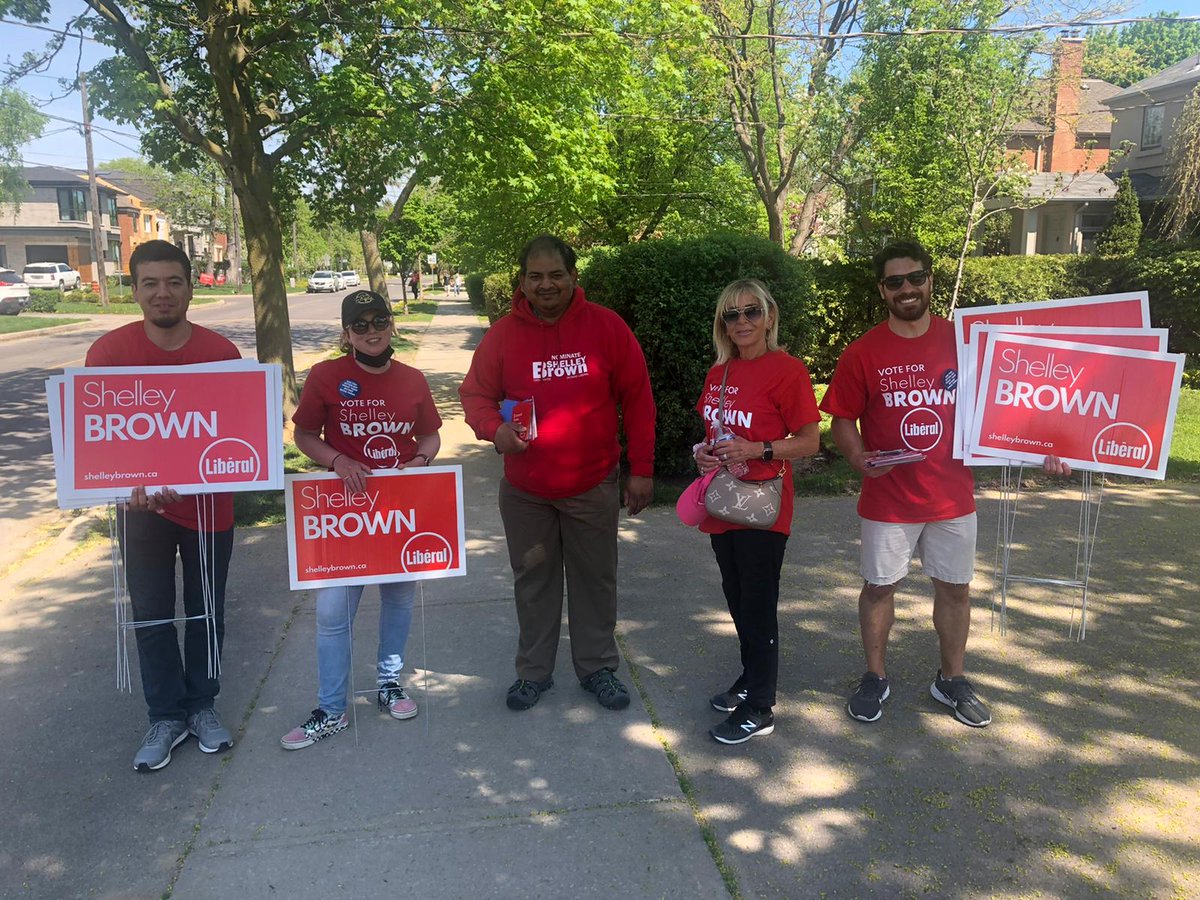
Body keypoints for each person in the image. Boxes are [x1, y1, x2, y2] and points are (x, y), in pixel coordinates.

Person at [820, 240, 1070, 729]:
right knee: (878, 587)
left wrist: (1044, 447)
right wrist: (856, 456)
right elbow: (841, 419)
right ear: (882, 290)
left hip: (952, 496)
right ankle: (875, 677)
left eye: (915, 277)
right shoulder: (864, 352)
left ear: (930, 280)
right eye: (895, 282)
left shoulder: (968, 343)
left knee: (955, 590)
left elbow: (1010, 407)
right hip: (888, 500)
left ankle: (951, 680)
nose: (907, 288)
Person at [459, 235, 656, 712]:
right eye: (535, 276)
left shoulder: (607, 327)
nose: (545, 284)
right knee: (534, 582)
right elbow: (475, 397)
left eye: (555, 275)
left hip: (592, 485)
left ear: (573, 277)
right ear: (522, 281)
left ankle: (598, 669)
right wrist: (496, 431)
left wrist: (642, 470)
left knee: (595, 580)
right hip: (528, 491)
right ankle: (534, 673)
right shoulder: (504, 335)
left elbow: (639, 399)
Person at [85, 239, 241, 772]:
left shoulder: (221, 354)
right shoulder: (107, 355)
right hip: (140, 512)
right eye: (150, 283)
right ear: (134, 290)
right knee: (151, 615)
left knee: (206, 613)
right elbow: (101, 439)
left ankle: (202, 705)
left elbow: (236, 434)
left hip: (208, 510)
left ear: (191, 287)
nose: (163, 293)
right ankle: (165, 715)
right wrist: (122, 481)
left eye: (173, 282)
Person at [281, 290, 442, 749]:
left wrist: (422, 461)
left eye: (379, 322)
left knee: (398, 601)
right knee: (333, 614)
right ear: (346, 332)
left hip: (397, 510)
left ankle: (389, 686)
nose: (371, 331)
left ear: (391, 325)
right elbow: (305, 434)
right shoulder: (327, 376)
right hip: (343, 512)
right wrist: (337, 461)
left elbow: (428, 435)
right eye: (360, 325)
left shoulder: (412, 378)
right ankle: (331, 709)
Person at [692, 279, 820, 744]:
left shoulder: (786, 370)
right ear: (722, 324)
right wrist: (704, 454)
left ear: (769, 316)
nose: (742, 321)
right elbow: (714, 432)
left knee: (758, 604)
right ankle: (750, 677)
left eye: (751, 312)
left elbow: (809, 440)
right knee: (735, 596)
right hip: (723, 500)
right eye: (732, 314)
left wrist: (759, 448)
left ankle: (761, 705)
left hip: (764, 507)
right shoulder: (718, 373)